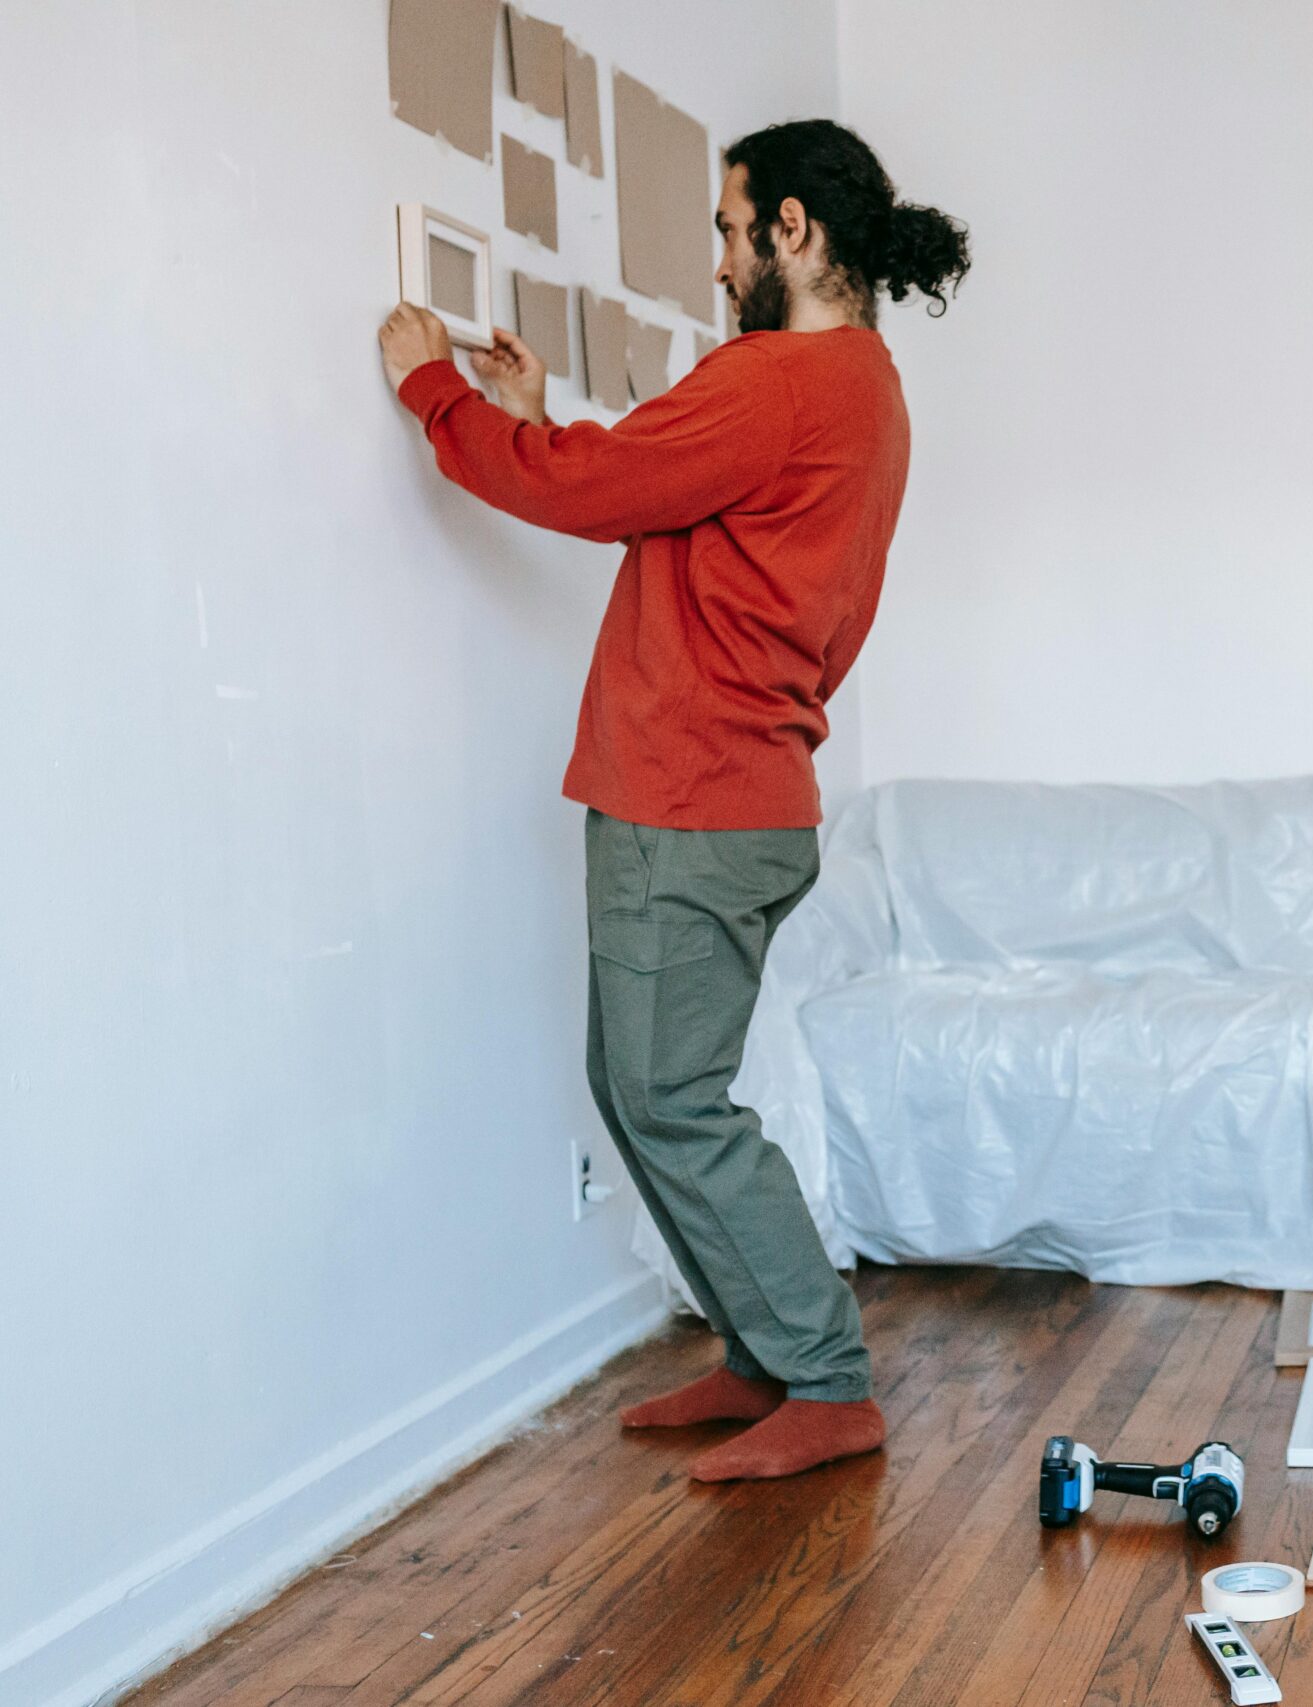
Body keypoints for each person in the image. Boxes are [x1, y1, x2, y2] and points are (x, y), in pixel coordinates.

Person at [376, 120, 968, 1482]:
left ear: (794, 232)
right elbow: (679, 509)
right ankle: (767, 1353)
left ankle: (823, 1374)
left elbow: (596, 491)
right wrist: (535, 424)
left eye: (726, 226)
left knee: (669, 1099)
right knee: (639, 1083)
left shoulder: (780, 377)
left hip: (689, 794)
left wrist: (435, 395)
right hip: (740, 792)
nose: (715, 261)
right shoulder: (864, 390)